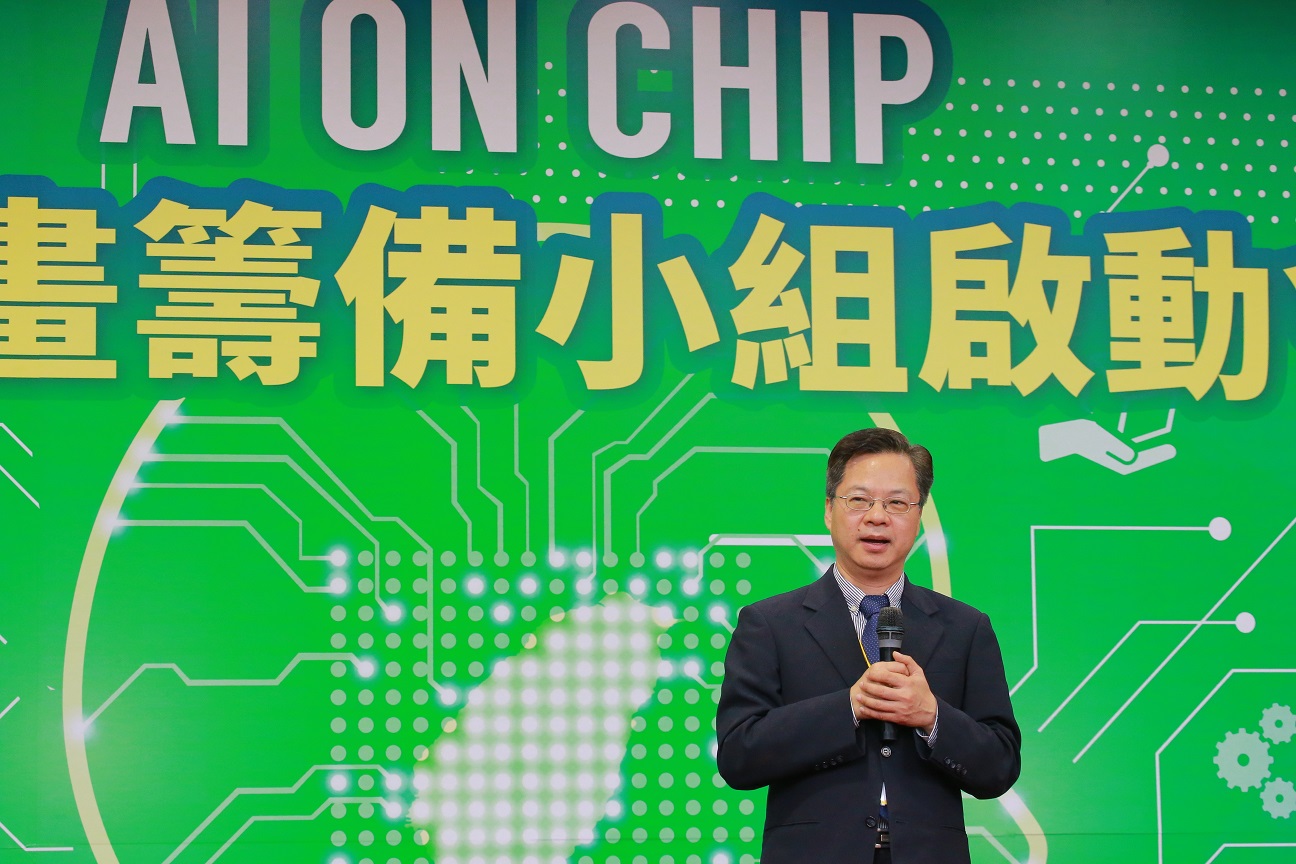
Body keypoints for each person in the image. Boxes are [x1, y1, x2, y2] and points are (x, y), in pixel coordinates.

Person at [715, 427, 1021, 864]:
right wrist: (849, 707)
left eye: (897, 503)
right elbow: (739, 756)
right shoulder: (769, 624)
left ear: (919, 516)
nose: (877, 517)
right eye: (859, 500)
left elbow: (1000, 766)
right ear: (829, 510)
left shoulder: (965, 627)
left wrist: (932, 716)